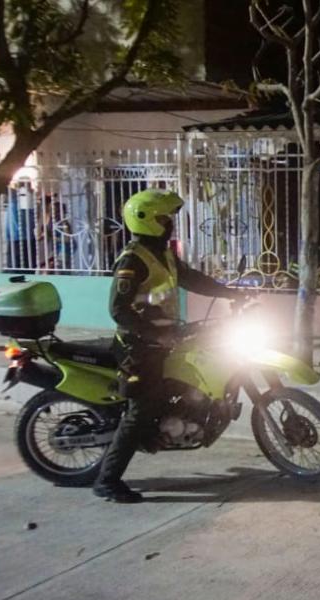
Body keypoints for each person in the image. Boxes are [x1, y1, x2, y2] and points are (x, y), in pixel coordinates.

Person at [95, 189, 245, 504]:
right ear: (146, 220)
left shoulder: (162, 254)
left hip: (165, 339)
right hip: (138, 347)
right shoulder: (133, 259)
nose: (170, 224)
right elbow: (118, 310)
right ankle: (107, 481)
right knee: (140, 411)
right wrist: (154, 334)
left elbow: (191, 279)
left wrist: (231, 293)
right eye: (165, 219)